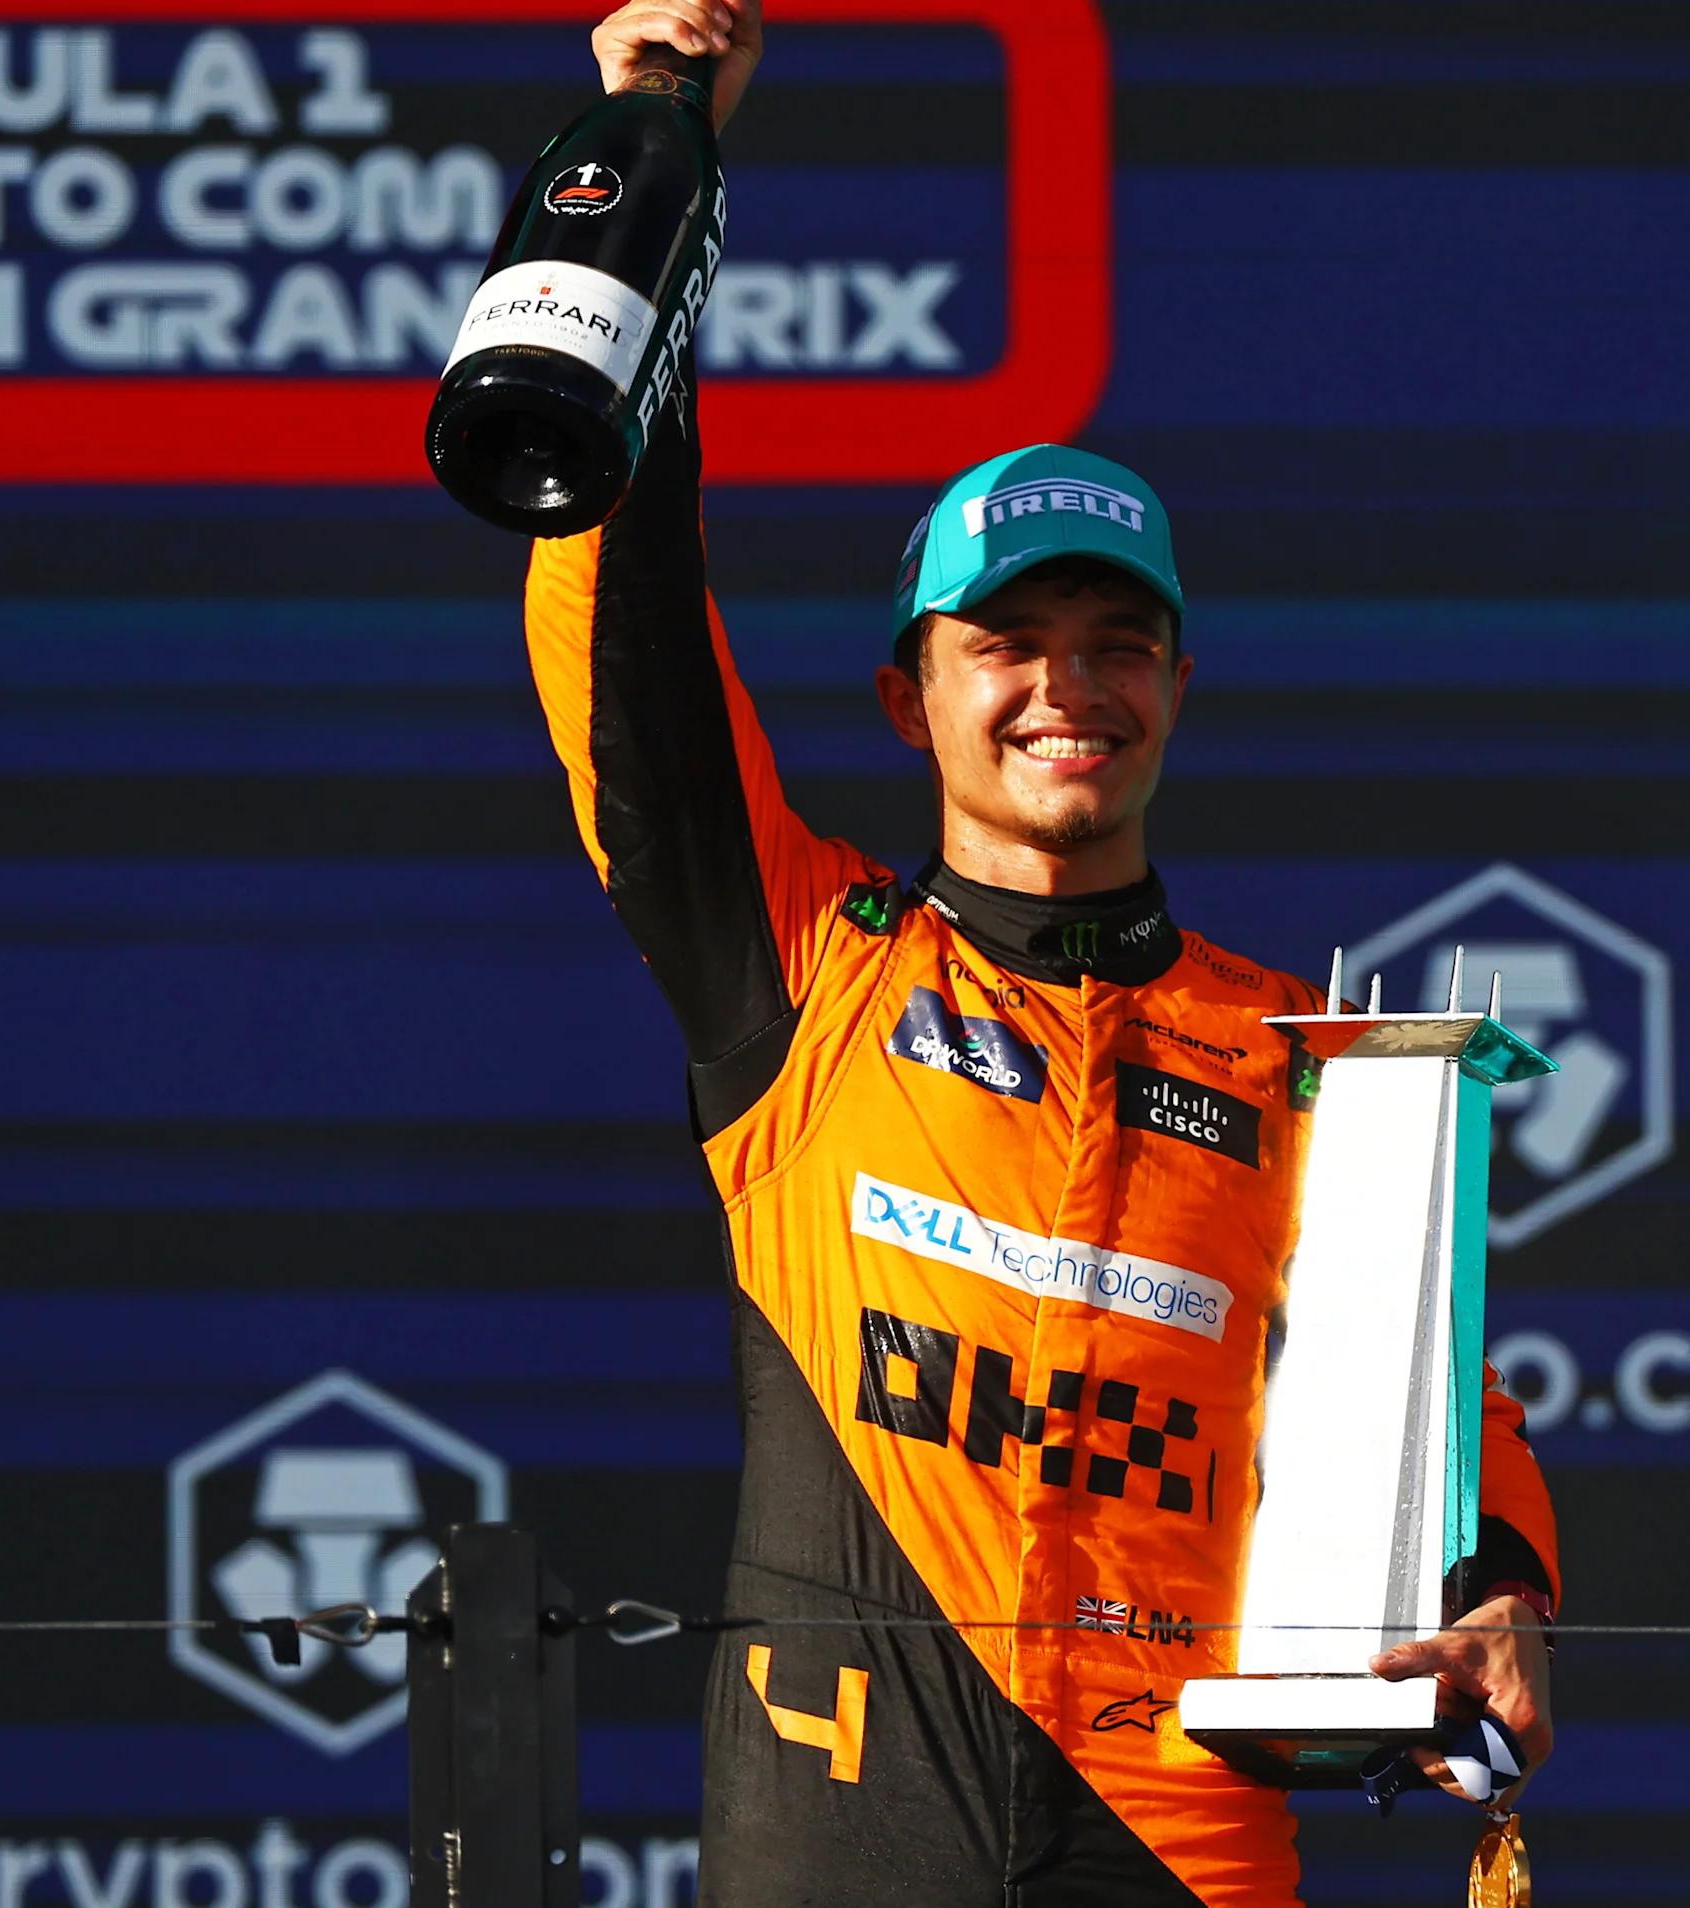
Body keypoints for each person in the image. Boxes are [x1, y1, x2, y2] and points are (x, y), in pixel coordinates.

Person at [518, 6, 1562, 1899]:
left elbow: (1443, 1395)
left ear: (1179, 684)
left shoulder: (1307, 1055)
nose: (1065, 690)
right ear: (910, 699)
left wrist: (1500, 1594)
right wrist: (653, 164)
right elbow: (625, 631)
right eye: (1005, 642)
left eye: (1117, 642)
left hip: (1180, 1821)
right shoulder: (806, 963)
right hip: (844, 1808)